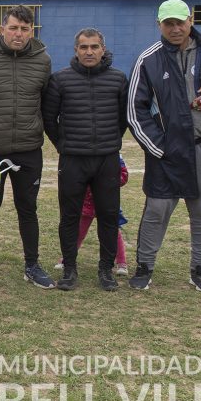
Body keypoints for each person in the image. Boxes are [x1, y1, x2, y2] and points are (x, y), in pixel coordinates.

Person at [126, 0, 201, 292]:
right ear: (159, 25)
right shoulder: (149, 59)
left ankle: (200, 269)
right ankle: (144, 267)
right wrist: (158, 147)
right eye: (169, 23)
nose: (175, 28)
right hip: (167, 150)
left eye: (180, 22)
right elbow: (134, 109)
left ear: (190, 20)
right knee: (157, 209)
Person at [0, 5, 53, 289]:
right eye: (13, 28)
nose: (18, 34)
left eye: (25, 29)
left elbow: (44, 101)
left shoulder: (43, 61)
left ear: (32, 31)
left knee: (28, 209)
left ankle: (32, 265)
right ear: (2, 28)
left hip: (29, 149)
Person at [41, 28, 129, 291]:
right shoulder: (60, 80)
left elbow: (123, 119)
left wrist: (108, 142)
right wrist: (65, 145)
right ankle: (69, 269)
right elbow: (49, 119)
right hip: (73, 160)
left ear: (103, 49)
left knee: (109, 216)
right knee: (69, 216)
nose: (89, 52)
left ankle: (106, 270)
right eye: (83, 47)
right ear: (75, 50)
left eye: (94, 47)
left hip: (106, 160)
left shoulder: (118, 79)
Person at [54, 157, 130, 277]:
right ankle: (67, 259)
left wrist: (108, 180)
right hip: (86, 204)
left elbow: (123, 176)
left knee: (113, 233)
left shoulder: (114, 157)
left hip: (107, 202)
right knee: (78, 232)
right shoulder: (84, 156)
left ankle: (121, 263)